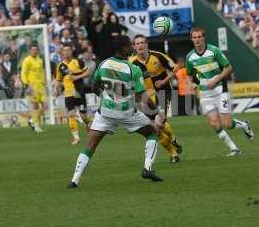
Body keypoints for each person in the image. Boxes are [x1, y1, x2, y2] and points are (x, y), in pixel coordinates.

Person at [68, 35, 163, 188]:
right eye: (129, 45)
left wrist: (105, 96)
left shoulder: (104, 64)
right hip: (126, 112)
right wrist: (157, 111)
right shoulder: (133, 69)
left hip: (105, 112)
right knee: (152, 132)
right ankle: (148, 168)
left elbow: (94, 86)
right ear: (124, 48)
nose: (132, 47)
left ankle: (74, 180)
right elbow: (142, 96)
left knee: (90, 146)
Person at [185, 27, 254, 156]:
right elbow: (189, 74)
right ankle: (234, 148)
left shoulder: (214, 51)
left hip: (220, 90)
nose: (197, 40)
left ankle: (244, 125)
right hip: (205, 92)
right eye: (194, 37)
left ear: (204, 37)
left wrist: (216, 80)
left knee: (226, 124)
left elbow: (229, 68)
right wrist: (191, 84)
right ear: (191, 39)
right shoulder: (190, 57)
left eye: (199, 37)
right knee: (214, 123)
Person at [130, 35, 182, 164]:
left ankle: (173, 143)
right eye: (137, 43)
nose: (140, 45)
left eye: (142, 43)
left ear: (147, 44)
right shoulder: (132, 64)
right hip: (145, 98)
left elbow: (174, 69)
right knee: (155, 128)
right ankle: (173, 150)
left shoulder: (158, 56)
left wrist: (164, 80)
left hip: (162, 92)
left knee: (159, 122)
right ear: (134, 46)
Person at [54, 44, 91, 145]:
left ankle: (88, 124)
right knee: (71, 114)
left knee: (83, 116)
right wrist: (56, 89)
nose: (66, 53)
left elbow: (88, 72)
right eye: (64, 51)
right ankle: (76, 138)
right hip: (68, 93)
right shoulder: (60, 66)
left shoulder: (78, 62)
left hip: (79, 92)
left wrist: (77, 77)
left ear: (71, 51)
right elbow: (58, 79)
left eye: (68, 50)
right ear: (62, 53)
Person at [20, 44, 46, 133]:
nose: (34, 51)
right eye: (33, 50)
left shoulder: (40, 60)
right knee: (35, 106)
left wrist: (44, 81)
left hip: (41, 86)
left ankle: (32, 120)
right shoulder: (27, 60)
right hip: (32, 86)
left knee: (44, 106)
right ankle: (37, 126)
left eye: (36, 49)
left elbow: (41, 72)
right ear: (30, 51)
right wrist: (26, 84)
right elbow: (23, 73)